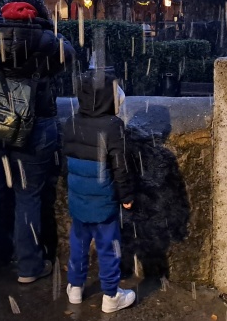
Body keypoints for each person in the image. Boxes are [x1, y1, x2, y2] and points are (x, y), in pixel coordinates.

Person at [0, 0, 75, 283]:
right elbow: (71, 59)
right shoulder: (47, 41)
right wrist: (49, 32)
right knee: (29, 196)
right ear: (38, 13)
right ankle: (29, 267)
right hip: (34, 127)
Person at [63, 69, 136, 313]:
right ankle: (111, 296)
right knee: (108, 248)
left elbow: (67, 162)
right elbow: (120, 167)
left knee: (78, 245)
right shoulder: (113, 126)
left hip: (78, 199)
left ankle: (75, 288)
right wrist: (126, 197)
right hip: (103, 202)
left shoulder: (71, 122)